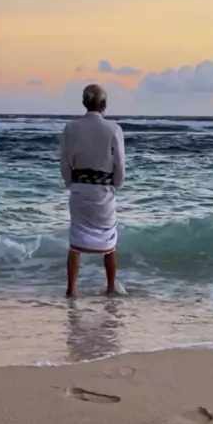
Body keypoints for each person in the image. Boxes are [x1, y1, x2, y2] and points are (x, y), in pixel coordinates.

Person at [59, 84, 125, 297]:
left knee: (75, 241)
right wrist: (115, 185)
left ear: (84, 103)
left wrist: (71, 184)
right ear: (104, 104)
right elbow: (119, 165)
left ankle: (71, 289)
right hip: (103, 191)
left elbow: (64, 162)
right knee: (109, 241)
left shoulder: (71, 128)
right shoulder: (113, 129)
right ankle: (110, 287)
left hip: (79, 190)